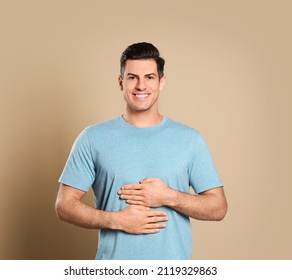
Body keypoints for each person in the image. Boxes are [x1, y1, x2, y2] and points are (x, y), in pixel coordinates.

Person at [55, 42, 227, 260]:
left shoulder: (190, 139)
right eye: (132, 77)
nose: (141, 86)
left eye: (149, 77)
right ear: (121, 82)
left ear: (161, 82)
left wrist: (168, 196)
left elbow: (218, 207)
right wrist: (116, 220)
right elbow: (64, 205)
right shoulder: (92, 138)